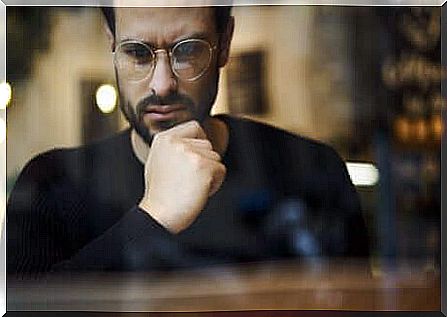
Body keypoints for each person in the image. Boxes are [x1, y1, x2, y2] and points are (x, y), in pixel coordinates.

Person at [7, 6, 370, 278]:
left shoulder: (311, 169)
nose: (162, 84)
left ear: (224, 43)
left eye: (186, 50)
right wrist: (152, 218)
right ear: (112, 45)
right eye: (137, 53)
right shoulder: (49, 184)